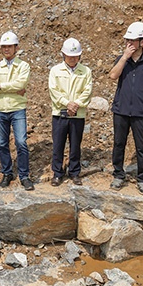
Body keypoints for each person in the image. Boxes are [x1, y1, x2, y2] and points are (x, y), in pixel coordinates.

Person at [109, 22, 143, 195]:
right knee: (119, 143)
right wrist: (124, 57)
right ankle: (118, 175)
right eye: (127, 40)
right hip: (121, 109)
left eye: (133, 40)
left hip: (141, 111)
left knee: (142, 146)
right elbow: (112, 75)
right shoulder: (121, 59)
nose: (129, 44)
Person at [0, 31, 34, 191]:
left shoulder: (23, 66)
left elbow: (21, 84)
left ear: (16, 47)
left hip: (17, 109)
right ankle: (7, 173)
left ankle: (24, 175)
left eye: (10, 46)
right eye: (4, 46)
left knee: (21, 143)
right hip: (0, 109)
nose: (7, 49)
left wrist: (2, 86)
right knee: (2, 144)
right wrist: (12, 87)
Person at [48, 38, 93, 187]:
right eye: (69, 55)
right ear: (63, 54)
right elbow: (53, 91)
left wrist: (76, 105)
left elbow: (87, 91)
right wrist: (67, 104)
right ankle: (57, 173)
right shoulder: (55, 70)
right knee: (58, 145)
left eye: (75, 56)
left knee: (75, 145)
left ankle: (74, 172)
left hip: (77, 114)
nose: (73, 58)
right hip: (60, 113)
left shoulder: (86, 71)